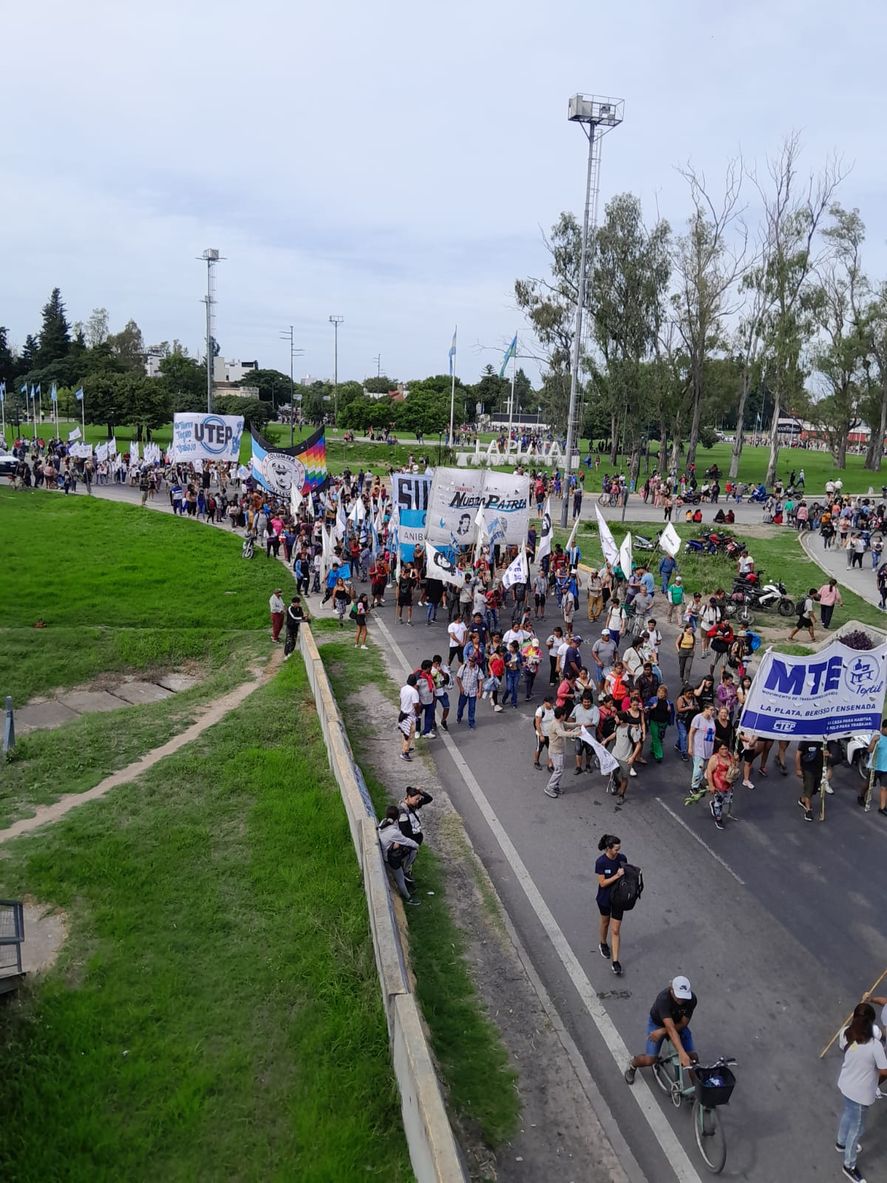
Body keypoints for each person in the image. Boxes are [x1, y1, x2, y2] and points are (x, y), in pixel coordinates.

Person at [834, 1002, 887, 1182]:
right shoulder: (876, 1046)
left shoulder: (846, 1034)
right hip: (861, 1094)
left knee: (848, 1115)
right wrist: (875, 1083)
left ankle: (840, 1143)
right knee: (856, 1130)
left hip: (846, 1085)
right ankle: (849, 1165)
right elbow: (884, 1071)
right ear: (871, 1022)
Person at [624, 976, 698, 1083]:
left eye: (684, 997)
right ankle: (633, 1064)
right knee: (650, 1059)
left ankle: (696, 1087)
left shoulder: (692, 1000)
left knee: (693, 1057)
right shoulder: (663, 1001)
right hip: (657, 1024)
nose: (681, 1000)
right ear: (671, 990)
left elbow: (683, 1023)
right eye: (678, 996)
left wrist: (662, 1031)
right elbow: (671, 1029)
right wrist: (682, 1053)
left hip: (675, 1025)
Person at [595, 834, 627, 976]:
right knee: (605, 922)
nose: (618, 851)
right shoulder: (601, 862)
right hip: (605, 898)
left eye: (619, 848)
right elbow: (602, 883)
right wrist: (616, 876)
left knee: (615, 930)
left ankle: (615, 961)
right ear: (608, 848)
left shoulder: (622, 859)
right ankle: (603, 943)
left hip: (618, 899)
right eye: (615, 849)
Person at [377, 806, 421, 905]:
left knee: (410, 851)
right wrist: (417, 845)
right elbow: (405, 840)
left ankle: (405, 871)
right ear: (397, 817)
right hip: (390, 859)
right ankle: (408, 898)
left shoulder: (384, 822)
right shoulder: (393, 832)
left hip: (389, 853)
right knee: (400, 879)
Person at [397, 786, 433, 887]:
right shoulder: (402, 811)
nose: (418, 801)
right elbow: (404, 831)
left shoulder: (414, 805)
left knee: (412, 856)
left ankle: (407, 871)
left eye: (419, 799)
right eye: (416, 799)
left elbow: (429, 799)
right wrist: (411, 841)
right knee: (408, 857)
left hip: (414, 838)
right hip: (408, 839)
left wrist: (421, 792)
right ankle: (405, 873)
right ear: (408, 797)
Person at [544, 705, 581, 799]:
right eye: (564, 714)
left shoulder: (559, 722)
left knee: (559, 769)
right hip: (556, 752)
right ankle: (549, 787)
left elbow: (567, 725)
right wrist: (574, 734)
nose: (565, 716)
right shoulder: (556, 725)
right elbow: (562, 733)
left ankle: (555, 786)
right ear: (561, 715)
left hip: (559, 750)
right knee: (558, 770)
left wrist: (578, 724)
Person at [705, 741, 737, 830]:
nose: (724, 751)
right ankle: (718, 819)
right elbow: (709, 772)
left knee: (727, 800)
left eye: (726, 748)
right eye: (722, 749)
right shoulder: (715, 758)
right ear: (718, 750)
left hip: (728, 785)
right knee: (719, 803)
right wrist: (711, 785)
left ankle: (713, 804)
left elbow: (734, 767)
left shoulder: (730, 756)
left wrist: (736, 760)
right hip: (718, 785)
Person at [795, 739, 825, 823]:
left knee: (814, 789)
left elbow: (827, 752)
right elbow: (798, 754)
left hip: (818, 769)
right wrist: (798, 769)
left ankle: (803, 799)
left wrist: (827, 754)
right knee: (809, 788)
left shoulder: (823, 740)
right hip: (808, 769)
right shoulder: (805, 740)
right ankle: (808, 810)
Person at [688, 703, 716, 791]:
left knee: (703, 767)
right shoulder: (698, 718)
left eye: (713, 710)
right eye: (711, 710)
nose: (713, 712)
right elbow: (691, 733)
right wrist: (690, 746)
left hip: (708, 747)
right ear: (705, 709)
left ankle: (698, 782)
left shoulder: (712, 719)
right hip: (698, 748)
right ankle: (694, 787)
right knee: (698, 767)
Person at [571, 691, 599, 773]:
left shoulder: (595, 709)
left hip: (590, 736)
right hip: (578, 734)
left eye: (588, 702)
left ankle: (587, 765)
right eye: (585, 702)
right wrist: (571, 726)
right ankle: (578, 767)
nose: (586, 704)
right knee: (578, 750)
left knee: (589, 751)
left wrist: (583, 726)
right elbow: (571, 717)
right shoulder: (577, 707)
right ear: (581, 701)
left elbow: (595, 723)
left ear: (591, 701)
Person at [863, 718, 887, 816]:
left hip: (885, 768)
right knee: (868, 785)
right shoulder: (877, 736)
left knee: (884, 788)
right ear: (883, 728)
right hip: (874, 767)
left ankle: (882, 807)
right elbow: (869, 750)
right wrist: (873, 741)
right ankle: (861, 796)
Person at [456, 654, 482, 729]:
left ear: (475, 662)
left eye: (472, 661)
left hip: (473, 692)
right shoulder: (464, 667)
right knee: (461, 706)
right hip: (464, 691)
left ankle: (471, 722)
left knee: (472, 708)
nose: (470, 662)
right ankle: (459, 716)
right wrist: (461, 688)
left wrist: (480, 692)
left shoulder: (478, 669)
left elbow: (480, 680)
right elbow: (458, 678)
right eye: (469, 660)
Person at [398, 673, 420, 761]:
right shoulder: (414, 692)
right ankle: (405, 752)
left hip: (403, 713)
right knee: (409, 734)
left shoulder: (403, 688)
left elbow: (401, 700)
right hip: (409, 716)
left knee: (404, 732)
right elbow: (415, 704)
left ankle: (406, 747)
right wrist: (418, 713)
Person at [533, 693, 555, 770]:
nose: (552, 704)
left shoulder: (553, 709)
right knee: (539, 748)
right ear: (545, 702)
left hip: (550, 734)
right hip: (542, 734)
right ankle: (536, 761)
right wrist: (541, 735)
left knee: (551, 749)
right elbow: (537, 724)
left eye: (552, 702)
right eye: (550, 703)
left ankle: (550, 765)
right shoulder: (540, 711)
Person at [283, 595, 307, 660]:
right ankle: (286, 654)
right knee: (289, 640)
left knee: (294, 640)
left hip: (295, 627)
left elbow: (301, 615)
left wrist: (304, 618)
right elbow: (294, 617)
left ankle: (291, 652)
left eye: (299, 603)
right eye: (298, 603)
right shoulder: (290, 608)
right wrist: (302, 618)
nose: (299, 604)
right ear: (294, 603)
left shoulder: (299, 608)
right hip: (290, 627)